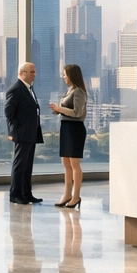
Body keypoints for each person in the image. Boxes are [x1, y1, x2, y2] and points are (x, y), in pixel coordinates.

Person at [49, 64, 88, 208]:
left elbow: (77, 113)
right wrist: (57, 110)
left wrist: (60, 109)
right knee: (66, 164)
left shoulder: (79, 91)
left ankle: (76, 196)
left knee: (74, 164)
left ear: (72, 75)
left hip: (75, 129)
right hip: (66, 128)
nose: (63, 77)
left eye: (65, 74)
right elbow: (66, 110)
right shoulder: (69, 90)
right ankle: (67, 194)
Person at [4, 62, 43, 204]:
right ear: (22, 73)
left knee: (27, 165)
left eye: (34, 72)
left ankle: (27, 193)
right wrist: (13, 131)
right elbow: (8, 112)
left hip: (31, 133)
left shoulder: (28, 89)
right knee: (20, 165)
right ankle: (15, 194)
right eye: (31, 72)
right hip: (22, 133)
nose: (34, 75)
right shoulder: (16, 89)